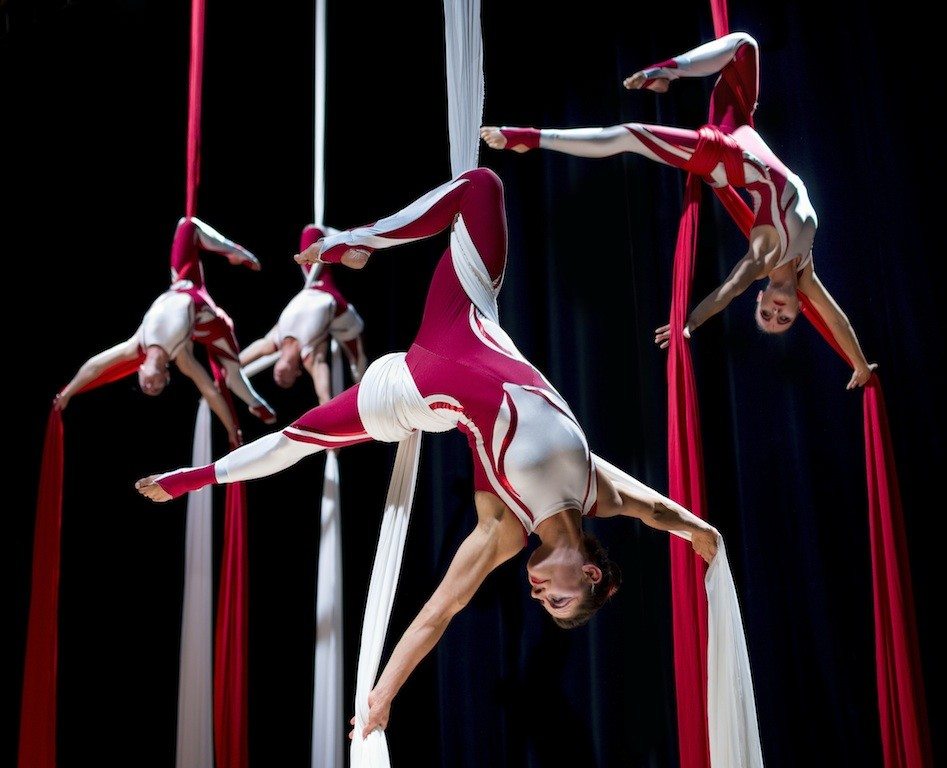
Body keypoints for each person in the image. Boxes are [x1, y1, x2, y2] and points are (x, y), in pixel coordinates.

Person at [134, 168, 719, 736]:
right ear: (589, 571)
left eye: (545, 604)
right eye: (558, 599)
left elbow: (439, 612)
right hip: (469, 317)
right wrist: (702, 533)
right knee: (482, 185)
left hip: (411, 391)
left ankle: (193, 477)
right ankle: (354, 243)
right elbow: (658, 510)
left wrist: (382, 697)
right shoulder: (597, 491)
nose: (539, 595)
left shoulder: (503, 530)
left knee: (296, 442)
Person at [481, 31, 877, 390]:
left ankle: (531, 138)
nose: (776, 312)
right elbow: (836, 320)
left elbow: (729, 289)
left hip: (727, 156)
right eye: (784, 318)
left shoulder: (764, 258)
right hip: (740, 128)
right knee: (745, 45)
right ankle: (667, 72)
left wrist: (690, 323)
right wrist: (859, 365)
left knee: (632, 135)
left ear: (760, 297)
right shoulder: (806, 274)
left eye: (768, 316)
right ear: (797, 307)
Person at [55, 215, 278, 446]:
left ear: (140, 370)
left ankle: (233, 252)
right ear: (166, 376)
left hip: (182, 282)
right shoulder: (182, 357)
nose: (150, 386)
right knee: (232, 370)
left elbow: (95, 366)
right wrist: (232, 429)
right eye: (157, 388)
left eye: (146, 386)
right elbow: (210, 392)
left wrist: (67, 393)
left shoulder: (136, 345)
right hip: (209, 322)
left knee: (187, 224)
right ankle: (255, 402)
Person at [239, 224, 368, 406]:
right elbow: (324, 396)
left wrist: (222, 375)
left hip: (316, 283)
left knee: (311, 231)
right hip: (339, 311)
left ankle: (356, 240)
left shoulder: (274, 341)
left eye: (278, 380)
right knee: (358, 368)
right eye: (286, 382)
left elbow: (236, 362)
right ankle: (365, 399)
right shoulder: (311, 357)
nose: (279, 379)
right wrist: (326, 413)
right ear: (297, 373)